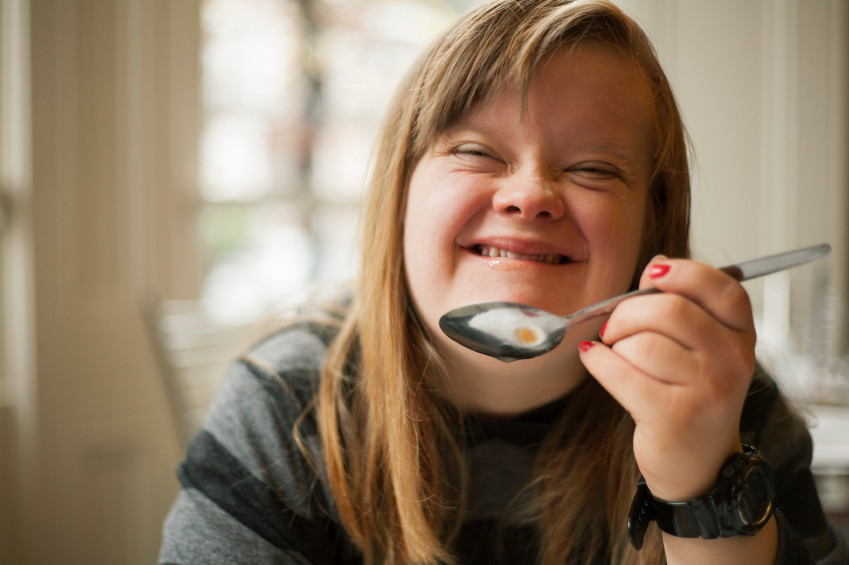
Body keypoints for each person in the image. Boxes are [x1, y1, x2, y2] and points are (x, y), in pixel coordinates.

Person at [158, 0, 848, 563]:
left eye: (594, 169)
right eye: (474, 151)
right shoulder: (290, 402)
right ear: (398, 194)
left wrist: (701, 481)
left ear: (651, 228)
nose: (529, 194)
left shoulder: (726, 405)